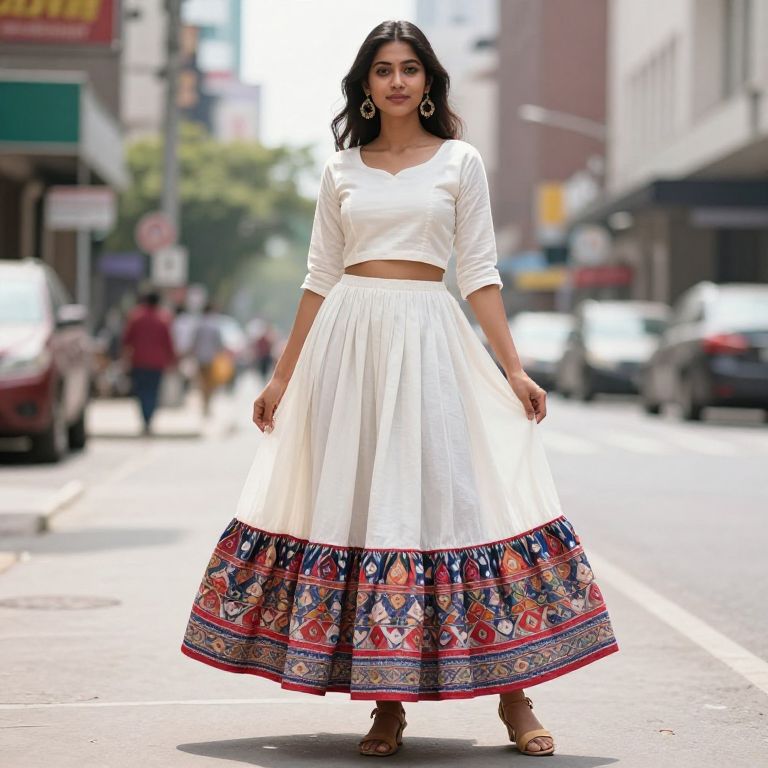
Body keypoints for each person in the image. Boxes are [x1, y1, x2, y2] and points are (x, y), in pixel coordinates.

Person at [181, 20, 618, 759]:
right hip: (348, 346)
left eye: (409, 68)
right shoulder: (341, 169)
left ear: (428, 82)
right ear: (365, 84)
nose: (396, 81)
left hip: (429, 342)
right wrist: (282, 376)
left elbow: (478, 271)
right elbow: (319, 276)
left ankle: (514, 699)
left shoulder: (460, 161)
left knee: (453, 504)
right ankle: (386, 705)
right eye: (382, 69)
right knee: (365, 510)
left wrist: (512, 367)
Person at [121, 289, 176, 435]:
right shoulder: (163, 319)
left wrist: (124, 359)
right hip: (157, 363)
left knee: (141, 391)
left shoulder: (136, 317)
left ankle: (145, 418)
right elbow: (169, 342)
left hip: (139, 361)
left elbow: (126, 340)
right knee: (153, 392)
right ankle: (148, 419)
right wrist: (172, 360)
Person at [190, 302, 226, 417]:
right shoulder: (215, 325)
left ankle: (204, 403)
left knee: (202, 382)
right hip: (212, 359)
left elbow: (194, 341)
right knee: (211, 383)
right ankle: (207, 404)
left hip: (200, 358)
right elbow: (219, 343)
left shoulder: (198, 324)